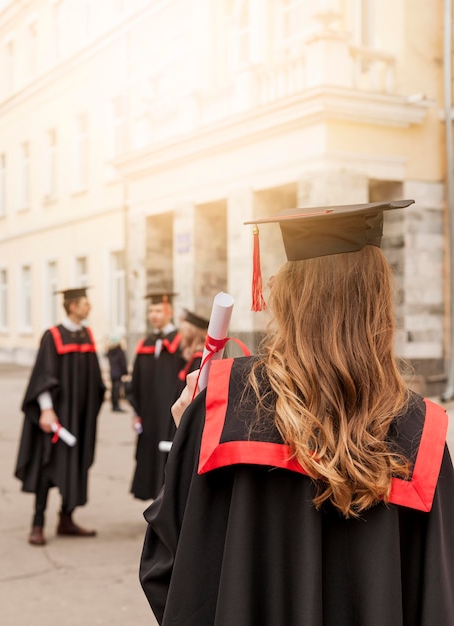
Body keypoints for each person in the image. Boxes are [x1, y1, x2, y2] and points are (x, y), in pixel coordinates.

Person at [139, 200, 454, 625]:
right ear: (380, 299)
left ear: (286, 295)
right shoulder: (422, 430)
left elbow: (170, 568)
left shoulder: (225, 403)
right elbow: (437, 595)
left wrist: (189, 436)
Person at [15, 287, 106, 546]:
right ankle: (37, 523)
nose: (89, 308)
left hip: (81, 415)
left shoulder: (86, 334)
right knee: (48, 465)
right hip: (58, 415)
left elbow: (95, 378)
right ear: (72, 306)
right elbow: (43, 375)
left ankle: (66, 518)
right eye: (85, 303)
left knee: (77, 462)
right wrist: (46, 409)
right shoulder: (52, 336)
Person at [129, 292, 186, 501]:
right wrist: (136, 412)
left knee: (169, 459)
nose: (154, 315)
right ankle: (155, 503)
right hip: (150, 415)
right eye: (151, 311)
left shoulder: (181, 343)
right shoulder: (146, 343)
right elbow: (135, 382)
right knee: (151, 458)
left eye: (158, 311)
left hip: (170, 414)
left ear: (169, 312)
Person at [177, 309, 209, 385]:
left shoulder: (199, 360)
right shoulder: (192, 356)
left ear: (190, 335)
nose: (180, 335)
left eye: (182, 331)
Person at [105, 334, 128, 412]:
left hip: (112, 373)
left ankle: (114, 405)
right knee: (117, 390)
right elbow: (123, 363)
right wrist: (125, 372)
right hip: (118, 373)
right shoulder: (120, 351)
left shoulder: (110, 351)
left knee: (113, 390)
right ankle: (116, 406)